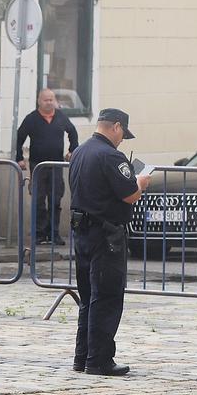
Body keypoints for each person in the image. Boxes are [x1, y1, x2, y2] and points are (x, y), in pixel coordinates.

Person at [67, 107, 151, 376]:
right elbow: (129, 195)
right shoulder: (111, 156)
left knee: (88, 298)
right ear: (115, 127)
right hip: (106, 237)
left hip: (83, 233)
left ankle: (83, 357)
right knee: (106, 298)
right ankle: (100, 360)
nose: (121, 140)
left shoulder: (80, 151)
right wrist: (140, 182)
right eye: (122, 134)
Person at [15, 88, 81, 244]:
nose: (49, 102)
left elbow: (72, 132)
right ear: (39, 101)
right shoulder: (31, 119)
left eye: (52, 99)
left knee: (55, 200)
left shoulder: (61, 117)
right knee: (38, 200)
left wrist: (72, 151)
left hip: (56, 164)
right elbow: (19, 137)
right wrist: (19, 158)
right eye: (46, 99)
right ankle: (39, 233)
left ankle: (54, 233)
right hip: (38, 165)